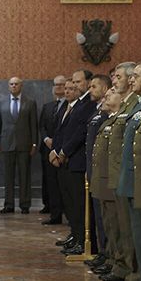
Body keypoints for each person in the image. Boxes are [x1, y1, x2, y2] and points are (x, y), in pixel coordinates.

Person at [51, 70, 97, 256]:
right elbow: (62, 131)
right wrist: (55, 151)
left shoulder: (87, 104)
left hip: (76, 160)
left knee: (79, 204)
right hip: (66, 160)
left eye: (78, 82)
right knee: (70, 202)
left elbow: (79, 133)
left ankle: (82, 239)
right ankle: (76, 235)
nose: (75, 86)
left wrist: (62, 152)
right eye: (73, 82)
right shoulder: (73, 104)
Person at [117, 63, 141, 279]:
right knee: (137, 233)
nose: (131, 79)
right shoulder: (138, 106)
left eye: (136, 76)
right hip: (132, 180)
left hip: (140, 180)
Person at [90, 88, 121, 275]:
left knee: (120, 226)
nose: (106, 97)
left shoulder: (123, 117)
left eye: (112, 93)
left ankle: (122, 265)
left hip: (116, 178)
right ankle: (112, 259)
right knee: (110, 223)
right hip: (105, 177)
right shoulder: (109, 119)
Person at [0, 77, 38, 214]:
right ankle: (8, 204)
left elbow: (34, 125)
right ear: (8, 86)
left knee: (25, 175)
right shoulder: (2, 102)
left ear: (21, 86)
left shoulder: (30, 103)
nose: (14, 86)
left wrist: (34, 143)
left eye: (16, 84)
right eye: (11, 84)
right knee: (8, 176)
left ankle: (25, 204)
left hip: (24, 144)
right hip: (7, 144)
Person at [84, 74, 112, 257]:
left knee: (107, 219)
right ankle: (104, 254)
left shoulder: (106, 113)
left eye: (94, 86)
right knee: (101, 217)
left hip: (105, 173)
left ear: (104, 88)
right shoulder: (97, 111)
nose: (90, 90)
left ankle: (108, 255)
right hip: (94, 171)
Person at [39, 75, 66, 222]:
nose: (58, 87)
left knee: (64, 185)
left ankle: (67, 214)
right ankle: (55, 215)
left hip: (63, 151)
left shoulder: (70, 105)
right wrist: (46, 139)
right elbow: (41, 126)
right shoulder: (47, 106)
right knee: (51, 183)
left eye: (62, 85)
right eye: (56, 85)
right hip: (48, 150)